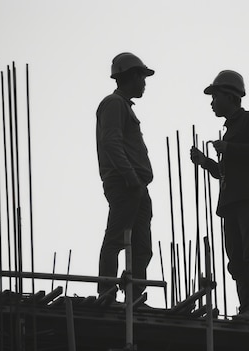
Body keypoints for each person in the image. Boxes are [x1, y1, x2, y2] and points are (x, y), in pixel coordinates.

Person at [190, 70, 249, 320]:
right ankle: (246, 307)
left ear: (229, 96)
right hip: (231, 203)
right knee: (236, 259)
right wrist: (205, 162)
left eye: (215, 97)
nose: (212, 102)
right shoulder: (230, 130)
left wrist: (230, 148)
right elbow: (225, 172)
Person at [95, 52, 155, 303]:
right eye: (142, 77)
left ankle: (133, 294)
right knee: (116, 239)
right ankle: (107, 291)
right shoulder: (114, 104)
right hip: (125, 183)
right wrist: (130, 177)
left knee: (142, 245)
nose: (144, 83)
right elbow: (111, 142)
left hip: (136, 185)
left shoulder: (124, 107)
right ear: (131, 76)